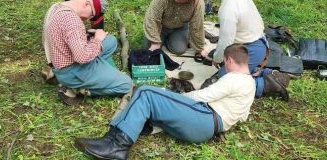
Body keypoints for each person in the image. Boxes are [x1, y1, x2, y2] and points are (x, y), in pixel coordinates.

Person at [74, 44, 256, 160]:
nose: (225, 67)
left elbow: (204, 96)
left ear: (230, 60)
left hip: (204, 118)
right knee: (154, 101)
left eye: (225, 63)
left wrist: (179, 99)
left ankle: (117, 146)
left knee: (145, 92)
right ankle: (113, 138)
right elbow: (243, 116)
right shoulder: (251, 83)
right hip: (209, 127)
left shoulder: (234, 78)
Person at [200, 0, 290, 100]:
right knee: (219, 57)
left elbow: (226, 41)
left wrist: (217, 59)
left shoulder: (227, 9)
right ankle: (268, 72)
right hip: (256, 42)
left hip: (251, 48)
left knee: (223, 83)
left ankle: (266, 84)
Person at [42, 0, 132, 105]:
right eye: (91, 14)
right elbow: (82, 57)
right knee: (127, 84)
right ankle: (78, 88)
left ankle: (96, 70)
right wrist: (97, 39)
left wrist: (86, 34)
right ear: (86, 4)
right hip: (73, 70)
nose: (89, 18)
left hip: (60, 62)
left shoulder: (57, 7)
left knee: (111, 41)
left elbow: (64, 35)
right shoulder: (72, 21)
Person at [144, 0, 208, 56]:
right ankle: (161, 39)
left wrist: (200, 48)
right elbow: (152, 17)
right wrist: (155, 42)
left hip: (180, 27)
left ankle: (174, 38)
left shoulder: (197, 2)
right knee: (148, 49)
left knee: (179, 50)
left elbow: (197, 26)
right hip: (160, 26)